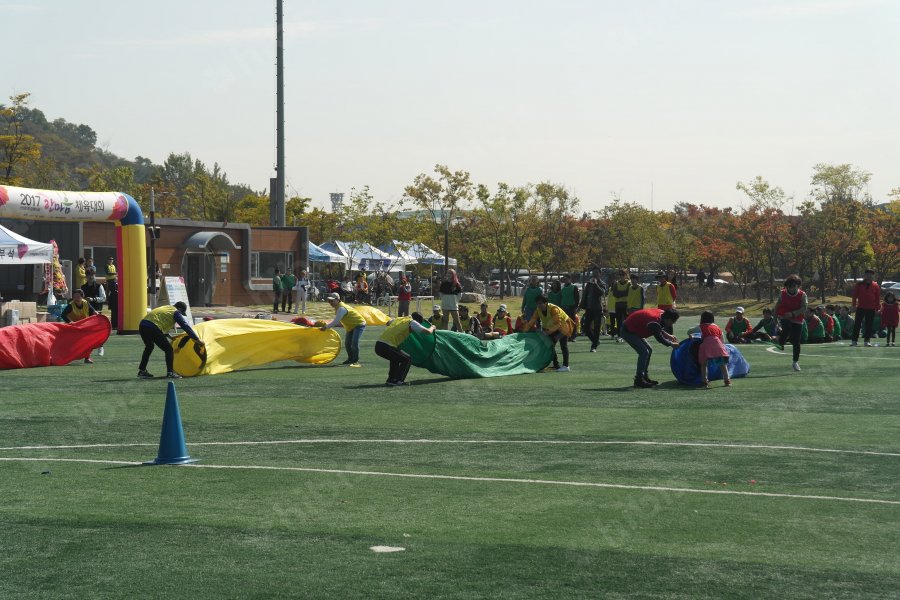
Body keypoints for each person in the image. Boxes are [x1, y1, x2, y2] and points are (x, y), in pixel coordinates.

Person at [137, 301, 203, 379]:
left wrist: (169, 336)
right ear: (180, 309)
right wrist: (196, 339)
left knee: (149, 346)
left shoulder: (166, 308)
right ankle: (170, 373)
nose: (180, 315)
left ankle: (142, 370)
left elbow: (158, 322)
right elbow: (185, 326)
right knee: (168, 350)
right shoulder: (175, 312)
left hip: (143, 325)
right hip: (152, 327)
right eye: (181, 313)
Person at [620, 308, 680, 388]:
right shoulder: (654, 320)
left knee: (649, 350)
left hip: (633, 328)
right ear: (667, 319)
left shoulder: (662, 313)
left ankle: (644, 376)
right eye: (672, 321)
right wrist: (671, 344)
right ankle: (639, 379)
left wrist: (668, 335)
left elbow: (658, 327)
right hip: (628, 331)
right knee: (644, 352)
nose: (673, 323)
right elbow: (659, 338)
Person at [376, 312, 436, 386]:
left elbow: (388, 323)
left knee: (395, 358)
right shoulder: (412, 322)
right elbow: (428, 332)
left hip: (378, 345)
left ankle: (391, 380)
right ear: (417, 320)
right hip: (387, 346)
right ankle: (399, 381)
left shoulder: (399, 319)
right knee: (407, 359)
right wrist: (432, 327)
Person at [523, 295, 574, 372]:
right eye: (537, 303)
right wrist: (524, 331)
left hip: (564, 326)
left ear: (546, 303)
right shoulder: (538, 310)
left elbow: (558, 324)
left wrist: (547, 332)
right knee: (550, 345)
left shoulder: (554, 309)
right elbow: (531, 321)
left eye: (540, 303)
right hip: (553, 328)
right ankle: (556, 365)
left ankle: (566, 366)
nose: (538, 305)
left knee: (563, 345)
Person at [320, 293, 366, 365]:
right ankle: (350, 359)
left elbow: (335, 322)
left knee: (354, 343)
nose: (330, 303)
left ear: (338, 300)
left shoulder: (341, 308)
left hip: (359, 324)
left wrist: (326, 327)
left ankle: (355, 360)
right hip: (350, 326)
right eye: (329, 301)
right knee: (347, 344)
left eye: (332, 301)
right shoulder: (338, 307)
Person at [774, 274, 807, 372]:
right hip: (784, 315)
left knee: (796, 341)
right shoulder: (782, 293)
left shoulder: (802, 295)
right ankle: (781, 342)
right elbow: (777, 306)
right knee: (787, 327)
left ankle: (795, 362)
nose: (791, 289)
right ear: (786, 286)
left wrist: (793, 314)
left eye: (794, 287)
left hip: (797, 317)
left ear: (798, 286)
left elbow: (804, 308)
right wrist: (775, 319)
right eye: (789, 287)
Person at [60, 289, 99, 364]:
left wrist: (98, 315)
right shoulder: (70, 305)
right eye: (74, 297)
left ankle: (87, 358)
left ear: (82, 297)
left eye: (78, 296)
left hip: (85, 327)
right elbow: (63, 315)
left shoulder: (86, 303)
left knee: (88, 343)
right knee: (71, 344)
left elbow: (94, 312)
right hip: (74, 328)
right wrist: (70, 322)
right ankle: (66, 358)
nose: (76, 298)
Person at [697, 311, 731, 388]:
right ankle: (727, 381)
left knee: (704, 364)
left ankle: (705, 382)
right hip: (717, 345)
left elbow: (690, 331)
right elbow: (722, 339)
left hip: (706, 346)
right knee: (722, 364)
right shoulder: (716, 327)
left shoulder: (701, 326)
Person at [851, 268, 881, 347]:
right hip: (861, 307)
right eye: (867, 274)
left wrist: (877, 308)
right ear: (864, 275)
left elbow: (878, 298)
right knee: (857, 324)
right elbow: (854, 296)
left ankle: (867, 341)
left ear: (873, 276)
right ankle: (854, 340)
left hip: (871, 308)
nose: (869, 276)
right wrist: (853, 305)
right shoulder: (859, 284)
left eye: (871, 275)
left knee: (869, 325)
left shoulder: (876, 285)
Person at [579, 269, 605, 352]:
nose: (594, 274)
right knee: (586, 328)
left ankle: (593, 346)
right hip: (589, 308)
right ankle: (595, 341)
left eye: (596, 273)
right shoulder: (589, 283)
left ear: (600, 274)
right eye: (593, 272)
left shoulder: (602, 283)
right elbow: (585, 295)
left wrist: (596, 284)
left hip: (597, 309)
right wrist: (581, 306)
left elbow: (602, 293)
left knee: (597, 328)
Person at [607, 270, 630, 340]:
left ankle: (627, 334)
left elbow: (628, 292)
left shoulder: (629, 284)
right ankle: (619, 335)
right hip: (618, 305)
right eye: (620, 275)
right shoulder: (616, 284)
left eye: (623, 275)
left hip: (626, 304)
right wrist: (623, 293)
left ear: (626, 275)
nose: (621, 277)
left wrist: (620, 293)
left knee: (626, 320)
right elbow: (615, 294)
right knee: (619, 321)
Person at [559, 275, 580, 341]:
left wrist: (576, 307)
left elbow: (577, 298)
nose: (565, 280)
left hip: (571, 307)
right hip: (563, 307)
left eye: (566, 278)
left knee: (572, 322)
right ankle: (566, 336)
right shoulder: (562, 287)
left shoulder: (574, 287)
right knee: (564, 323)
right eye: (564, 279)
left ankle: (573, 336)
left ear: (569, 279)